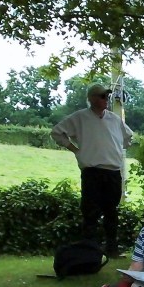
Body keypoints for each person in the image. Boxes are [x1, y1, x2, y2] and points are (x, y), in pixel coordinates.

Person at [51, 83, 134, 257]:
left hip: (112, 172)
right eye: (103, 96)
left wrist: (115, 149)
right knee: (90, 213)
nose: (106, 100)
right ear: (92, 99)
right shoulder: (80, 118)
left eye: (107, 96)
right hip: (92, 172)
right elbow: (57, 132)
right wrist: (75, 149)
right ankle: (89, 251)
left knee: (111, 212)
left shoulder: (114, 119)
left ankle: (112, 249)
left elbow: (128, 137)